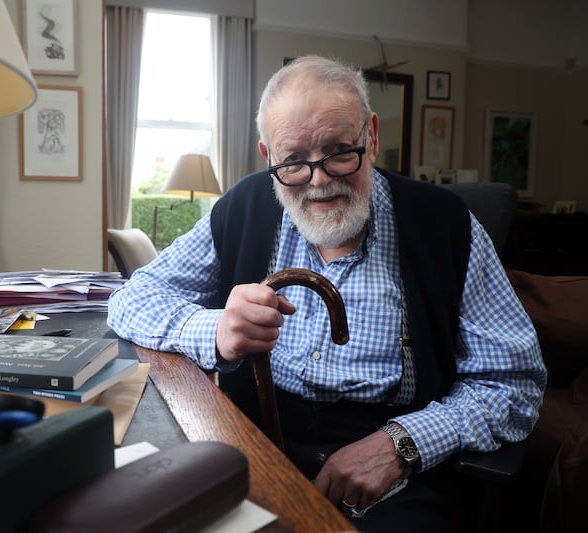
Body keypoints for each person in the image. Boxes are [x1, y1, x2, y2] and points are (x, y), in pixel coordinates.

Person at [107, 55, 546, 532]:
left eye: (339, 151)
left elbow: (513, 384)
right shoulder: (245, 207)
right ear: (268, 156)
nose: (318, 181)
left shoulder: (447, 227)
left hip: (394, 477)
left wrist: (402, 444)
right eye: (294, 161)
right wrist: (214, 329)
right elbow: (132, 298)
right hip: (249, 445)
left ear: (372, 136)